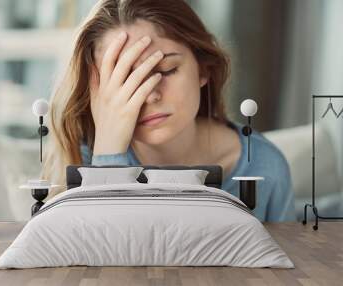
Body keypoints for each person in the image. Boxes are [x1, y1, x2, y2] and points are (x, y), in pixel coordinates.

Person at [42, 0, 296, 222]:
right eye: (124, 80)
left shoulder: (265, 167)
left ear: (204, 69)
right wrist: (108, 157)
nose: (150, 95)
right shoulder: (82, 160)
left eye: (166, 70)